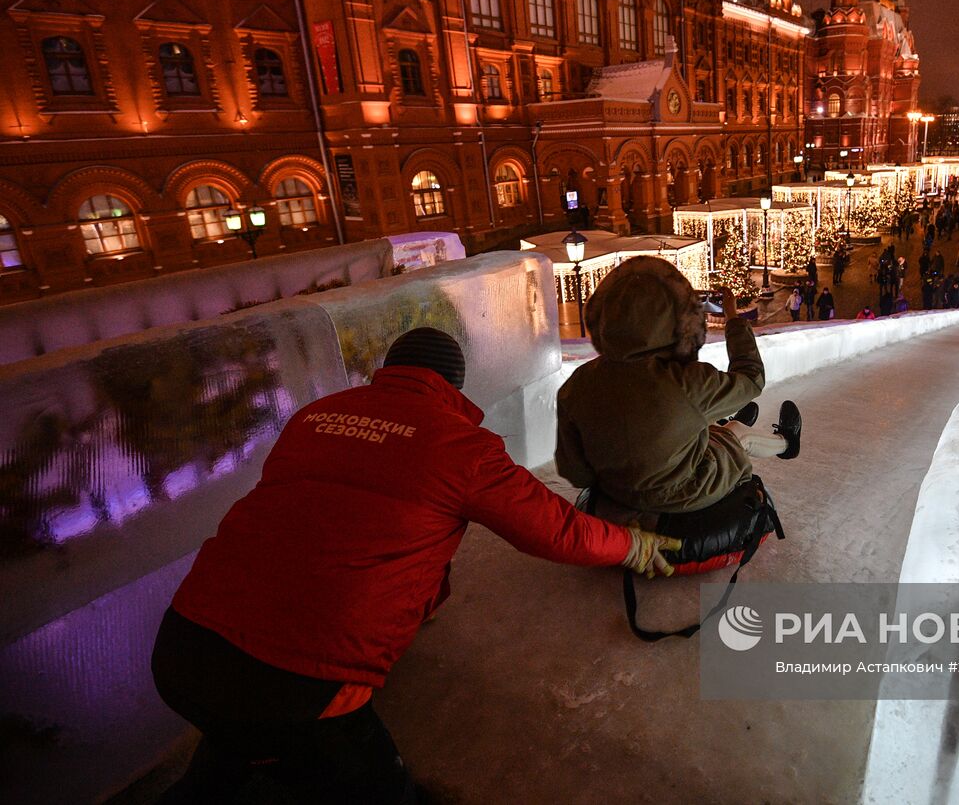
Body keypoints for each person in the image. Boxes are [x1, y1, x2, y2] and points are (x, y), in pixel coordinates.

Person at [150, 328, 679, 804]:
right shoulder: (461, 447)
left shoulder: (314, 417)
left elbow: (322, 526)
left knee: (233, 747)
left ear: (389, 367)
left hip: (183, 649)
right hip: (300, 681)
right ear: (454, 383)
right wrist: (632, 546)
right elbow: (554, 530)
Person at [555, 257, 801, 514]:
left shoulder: (577, 384)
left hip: (615, 494)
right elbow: (751, 379)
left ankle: (715, 420)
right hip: (683, 492)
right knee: (737, 434)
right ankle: (786, 442)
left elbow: (575, 472)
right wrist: (732, 317)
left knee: (685, 425)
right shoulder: (685, 380)